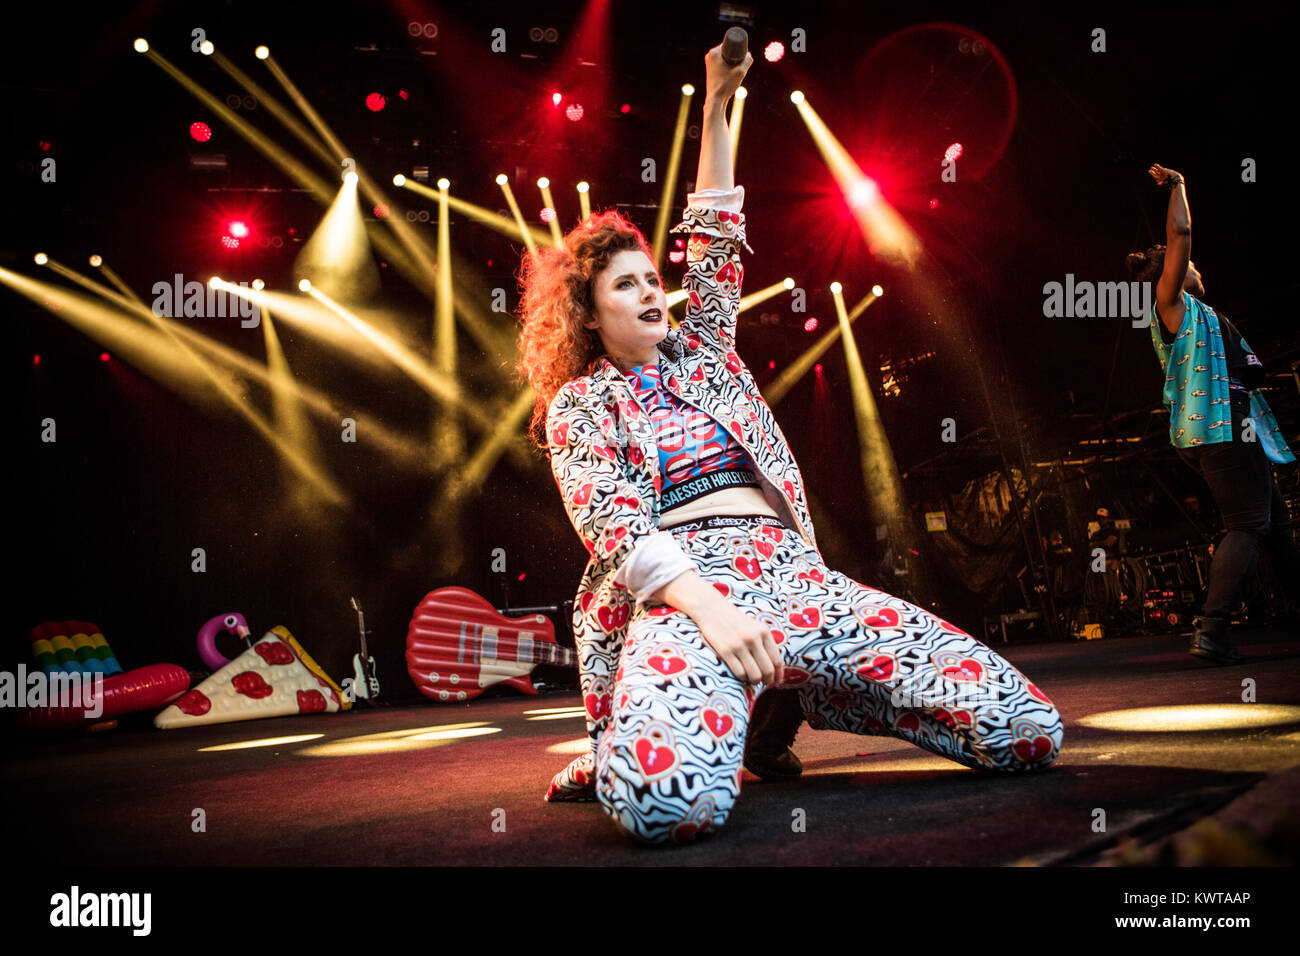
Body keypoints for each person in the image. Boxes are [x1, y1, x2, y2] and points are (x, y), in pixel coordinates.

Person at [514, 40, 1062, 845]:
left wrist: (715, 103)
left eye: (650, 277)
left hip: (792, 574)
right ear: (589, 316)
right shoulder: (581, 404)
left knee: (1029, 733)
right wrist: (710, 612)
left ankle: (780, 700)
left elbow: (715, 230)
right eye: (625, 284)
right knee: (665, 805)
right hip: (686, 590)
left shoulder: (705, 350)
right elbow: (618, 531)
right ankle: (685, 719)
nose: (651, 290)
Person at [1130, 163, 1299, 665]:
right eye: (1189, 264)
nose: (1198, 268)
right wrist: (1179, 185)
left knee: (1277, 527)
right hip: (1218, 430)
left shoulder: (1202, 316)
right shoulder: (1170, 303)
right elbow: (1179, 232)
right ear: (1174, 272)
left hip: (1232, 430)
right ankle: (1212, 630)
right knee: (1248, 523)